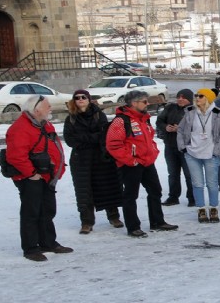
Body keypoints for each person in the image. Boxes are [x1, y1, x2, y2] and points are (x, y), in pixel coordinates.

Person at [5, 95, 72, 261]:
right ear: (36, 110)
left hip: (47, 176)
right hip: (30, 178)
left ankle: (48, 242)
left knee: (47, 210)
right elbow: (16, 156)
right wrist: (31, 174)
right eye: (47, 106)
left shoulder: (44, 124)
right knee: (31, 212)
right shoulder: (20, 128)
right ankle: (30, 248)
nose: (50, 108)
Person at [106, 90, 178, 238]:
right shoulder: (121, 121)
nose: (148, 104)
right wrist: (130, 160)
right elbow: (113, 145)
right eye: (144, 102)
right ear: (134, 103)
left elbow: (149, 138)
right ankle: (133, 227)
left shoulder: (144, 118)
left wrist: (153, 151)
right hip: (130, 164)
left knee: (155, 190)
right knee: (131, 195)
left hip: (147, 162)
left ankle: (157, 221)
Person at [64, 89, 124, 234]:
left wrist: (84, 138)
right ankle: (86, 222)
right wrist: (91, 138)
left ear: (89, 99)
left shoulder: (98, 114)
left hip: (100, 157)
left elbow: (104, 135)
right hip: (80, 160)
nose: (80, 100)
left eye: (83, 97)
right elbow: (70, 140)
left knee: (107, 186)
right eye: (77, 97)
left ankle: (114, 216)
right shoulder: (70, 118)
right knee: (84, 191)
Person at [177, 88, 220, 223]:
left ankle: (214, 208)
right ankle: (201, 209)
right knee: (197, 183)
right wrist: (183, 147)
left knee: (212, 184)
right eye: (196, 96)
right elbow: (180, 129)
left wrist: (217, 150)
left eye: (200, 96)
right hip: (192, 153)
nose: (197, 98)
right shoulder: (190, 112)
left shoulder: (218, 113)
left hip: (211, 154)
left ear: (208, 98)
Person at [156, 89, 195, 207]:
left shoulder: (194, 111)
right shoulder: (170, 108)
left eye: (183, 97)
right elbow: (159, 121)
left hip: (187, 148)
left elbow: (198, 129)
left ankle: (192, 197)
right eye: (178, 97)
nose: (180, 99)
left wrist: (181, 129)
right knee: (172, 173)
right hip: (170, 145)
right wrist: (165, 127)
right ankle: (173, 197)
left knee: (190, 174)